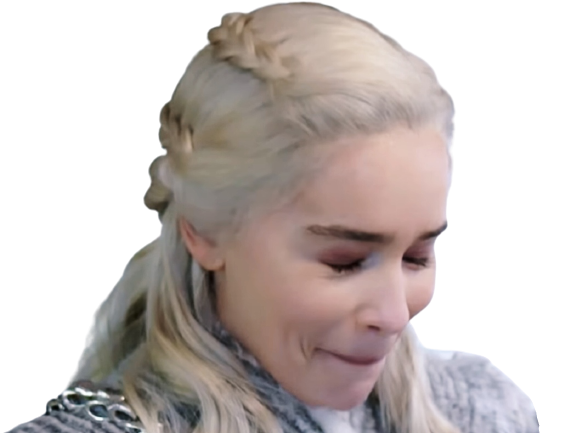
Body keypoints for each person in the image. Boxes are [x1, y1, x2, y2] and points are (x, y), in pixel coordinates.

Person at [7, 2, 538, 433]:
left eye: (418, 256)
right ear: (204, 230)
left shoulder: (486, 411)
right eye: (345, 261)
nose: (395, 315)